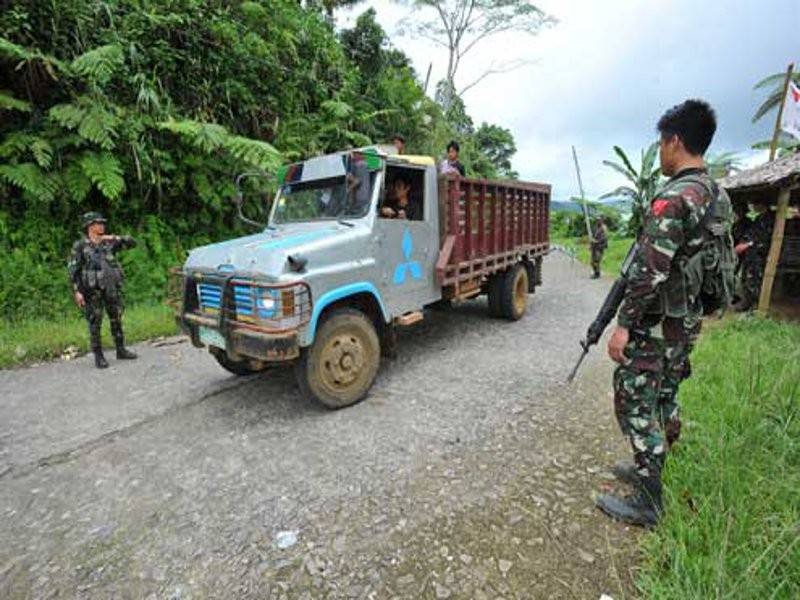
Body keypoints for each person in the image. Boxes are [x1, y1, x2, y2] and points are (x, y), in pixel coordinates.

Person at [595, 99, 731, 527]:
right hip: (686, 319)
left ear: (675, 141)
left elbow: (650, 271)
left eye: (661, 143)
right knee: (666, 393)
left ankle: (649, 501)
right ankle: (652, 467)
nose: (659, 153)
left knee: (634, 397)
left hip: (656, 322)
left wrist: (623, 326)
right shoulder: (716, 193)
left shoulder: (675, 197)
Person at [68, 212, 138, 369]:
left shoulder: (108, 243)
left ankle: (121, 350)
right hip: (93, 292)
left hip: (111, 289)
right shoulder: (80, 246)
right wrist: (77, 292)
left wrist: (114, 237)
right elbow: (73, 270)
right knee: (95, 323)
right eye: (98, 223)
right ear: (90, 227)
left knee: (116, 319)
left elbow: (133, 243)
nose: (102, 225)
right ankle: (99, 356)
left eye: (102, 223)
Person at [734, 200, 774, 312]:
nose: (754, 206)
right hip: (751, 253)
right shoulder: (758, 218)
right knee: (746, 278)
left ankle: (755, 306)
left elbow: (765, 238)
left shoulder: (770, 219)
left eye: (756, 203)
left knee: (754, 279)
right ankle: (747, 303)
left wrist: (747, 244)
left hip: (759, 254)